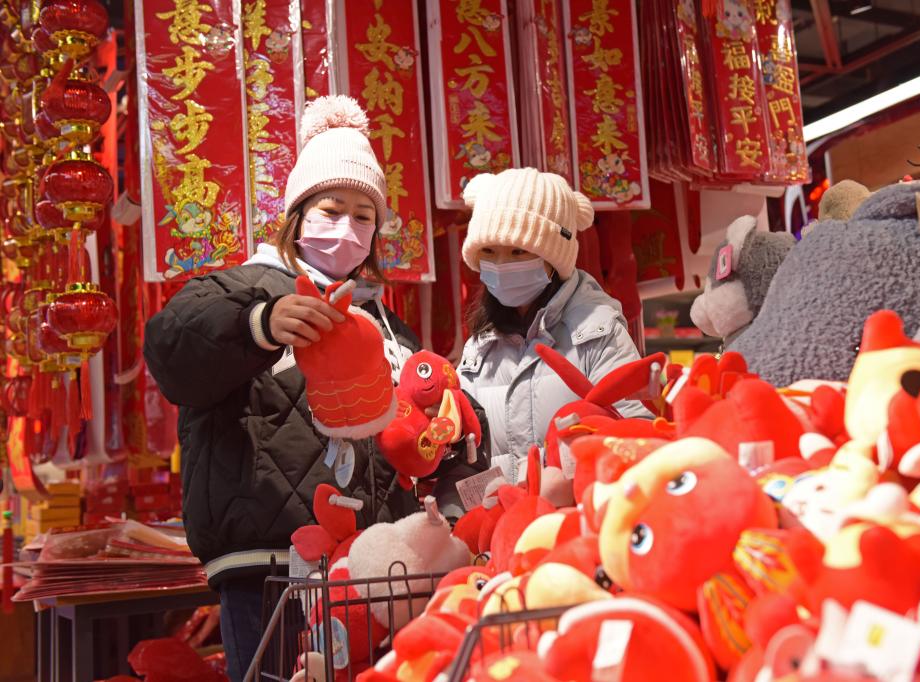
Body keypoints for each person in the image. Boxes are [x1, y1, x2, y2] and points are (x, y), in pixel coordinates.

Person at [143, 96, 483, 681]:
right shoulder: (241, 288)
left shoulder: (386, 327)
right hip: (272, 568)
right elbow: (171, 349)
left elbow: (415, 428)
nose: (347, 227)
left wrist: (448, 430)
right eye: (331, 208)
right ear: (296, 216)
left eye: (363, 215)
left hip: (374, 574)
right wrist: (259, 324)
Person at [457, 167, 649, 460]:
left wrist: (564, 470)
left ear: (553, 257)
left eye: (518, 251)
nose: (501, 264)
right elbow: (464, 454)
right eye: (489, 252)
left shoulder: (598, 334)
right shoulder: (478, 351)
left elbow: (637, 437)